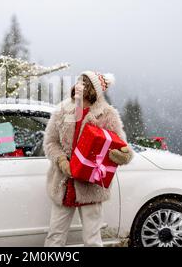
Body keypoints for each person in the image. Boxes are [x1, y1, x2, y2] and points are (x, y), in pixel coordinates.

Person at [43, 71, 134, 247]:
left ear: (94, 90)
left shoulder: (107, 114)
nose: (78, 84)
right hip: (64, 183)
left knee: (92, 240)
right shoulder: (63, 110)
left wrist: (123, 155)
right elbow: (50, 142)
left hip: (92, 185)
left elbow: (122, 146)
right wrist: (62, 161)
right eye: (78, 80)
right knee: (55, 236)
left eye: (84, 82)